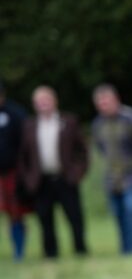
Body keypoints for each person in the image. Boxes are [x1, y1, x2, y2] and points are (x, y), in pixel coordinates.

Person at [18, 86, 89, 258]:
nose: (43, 104)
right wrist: (28, 179)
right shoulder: (29, 126)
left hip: (65, 178)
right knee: (44, 218)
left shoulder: (69, 121)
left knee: (74, 216)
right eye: (39, 102)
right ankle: (50, 253)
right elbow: (23, 156)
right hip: (42, 180)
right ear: (34, 105)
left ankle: (80, 250)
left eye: (46, 100)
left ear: (54, 101)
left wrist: (77, 173)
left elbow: (82, 150)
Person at [91, 84, 132, 255]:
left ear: (116, 99)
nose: (104, 105)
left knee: (131, 208)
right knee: (118, 213)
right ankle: (125, 249)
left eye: (107, 101)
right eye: (100, 103)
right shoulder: (98, 124)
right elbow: (100, 148)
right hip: (112, 176)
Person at [0, 79, 31, 261]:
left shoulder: (16, 114)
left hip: (12, 172)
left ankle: (19, 251)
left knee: (15, 213)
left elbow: (26, 144)